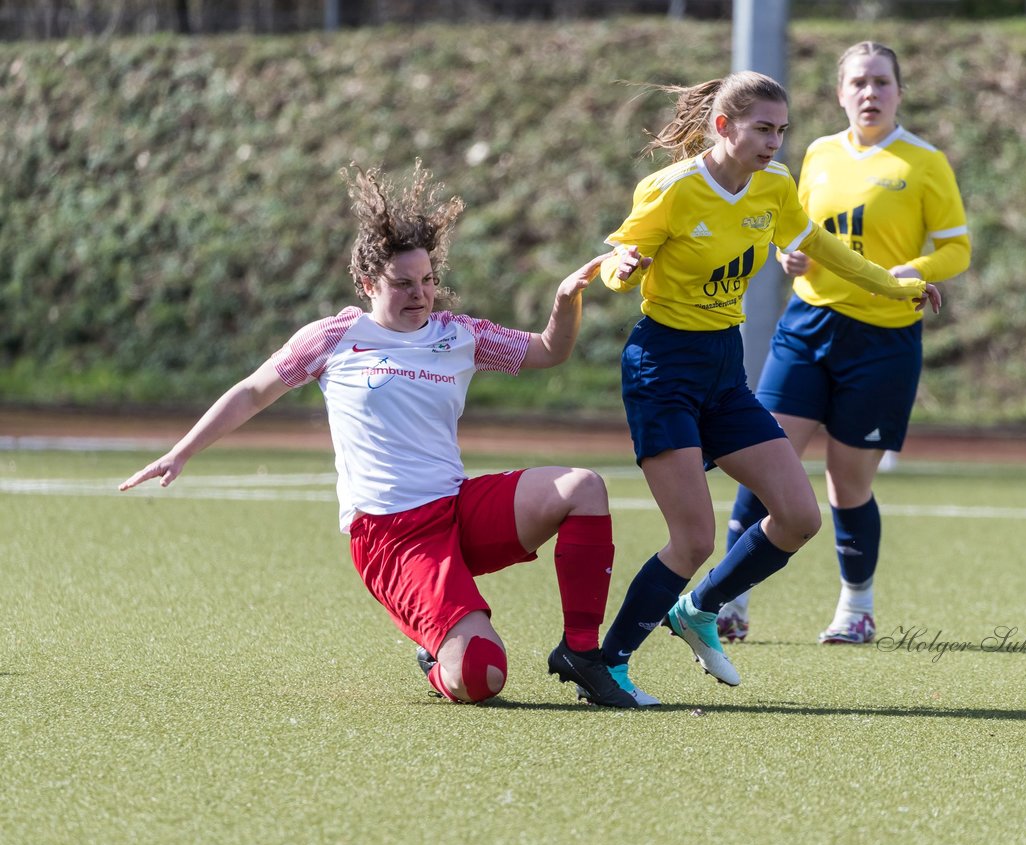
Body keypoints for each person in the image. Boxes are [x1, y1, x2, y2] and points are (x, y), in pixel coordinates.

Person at [118, 161, 639, 708]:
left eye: (428, 280)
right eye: (403, 284)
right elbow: (252, 391)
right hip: (392, 536)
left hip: (457, 509)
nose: (421, 294)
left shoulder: (459, 334)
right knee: (482, 677)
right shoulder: (336, 336)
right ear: (368, 284)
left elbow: (548, 351)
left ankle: (582, 653)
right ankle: (437, 657)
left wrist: (565, 298)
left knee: (584, 487)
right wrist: (181, 452)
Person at [594, 71, 942, 705]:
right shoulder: (670, 190)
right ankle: (606, 660)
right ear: (723, 126)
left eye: (781, 130)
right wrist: (623, 266)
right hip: (664, 368)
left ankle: (699, 608)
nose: (774, 142)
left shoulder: (775, 187)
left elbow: (825, 249)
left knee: (799, 515)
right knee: (695, 537)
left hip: (724, 371)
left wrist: (897, 286)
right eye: (762, 129)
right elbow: (620, 261)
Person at [718, 41, 969, 646]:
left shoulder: (924, 161)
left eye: (882, 83)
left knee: (847, 484)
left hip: (883, 340)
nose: (870, 93)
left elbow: (957, 248)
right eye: (858, 83)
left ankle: (856, 608)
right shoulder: (821, 153)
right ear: (839, 93)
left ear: (899, 92)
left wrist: (915, 271)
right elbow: (793, 230)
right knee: (763, 464)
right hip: (808, 327)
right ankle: (727, 601)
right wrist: (788, 255)